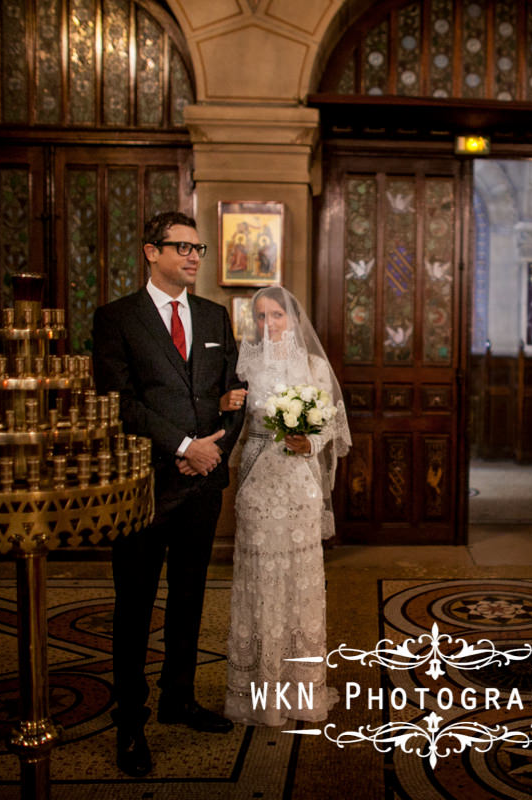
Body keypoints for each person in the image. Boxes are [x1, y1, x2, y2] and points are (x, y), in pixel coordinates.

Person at [92, 211, 245, 777]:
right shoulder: (117, 319)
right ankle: (130, 722)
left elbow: (235, 392)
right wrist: (184, 444)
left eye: (198, 248)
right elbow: (120, 401)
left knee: (189, 597)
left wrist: (214, 453)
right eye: (180, 247)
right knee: (133, 606)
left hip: (203, 486)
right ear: (150, 252)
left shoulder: (213, 315)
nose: (192, 257)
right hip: (143, 485)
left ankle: (179, 698)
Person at [220, 286, 351, 726]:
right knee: (259, 581)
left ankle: (299, 690)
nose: (268, 324)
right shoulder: (244, 365)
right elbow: (231, 421)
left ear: (293, 319)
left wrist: (309, 440)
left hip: (299, 487)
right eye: (260, 316)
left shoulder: (313, 366)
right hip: (258, 487)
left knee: (300, 584)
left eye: (276, 315)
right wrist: (224, 404)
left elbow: (331, 421)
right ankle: (258, 691)